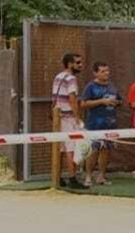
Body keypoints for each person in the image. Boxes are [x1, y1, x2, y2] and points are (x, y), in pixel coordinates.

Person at [80, 61, 121, 186]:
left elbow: (120, 100)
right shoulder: (90, 87)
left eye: (107, 71)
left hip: (110, 124)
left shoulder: (112, 86)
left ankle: (101, 176)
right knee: (93, 151)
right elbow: (83, 104)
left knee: (106, 150)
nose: (106, 73)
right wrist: (101, 101)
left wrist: (116, 102)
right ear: (95, 73)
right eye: (103, 71)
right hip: (94, 125)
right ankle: (88, 176)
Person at [51, 52, 88, 189]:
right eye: (77, 63)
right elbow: (72, 99)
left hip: (58, 116)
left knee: (60, 148)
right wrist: (77, 117)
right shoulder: (71, 79)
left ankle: (58, 176)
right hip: (68, 117)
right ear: (69, 64)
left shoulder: (58, 76)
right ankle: (72, 178)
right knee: (70, 148)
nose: (80, 65)